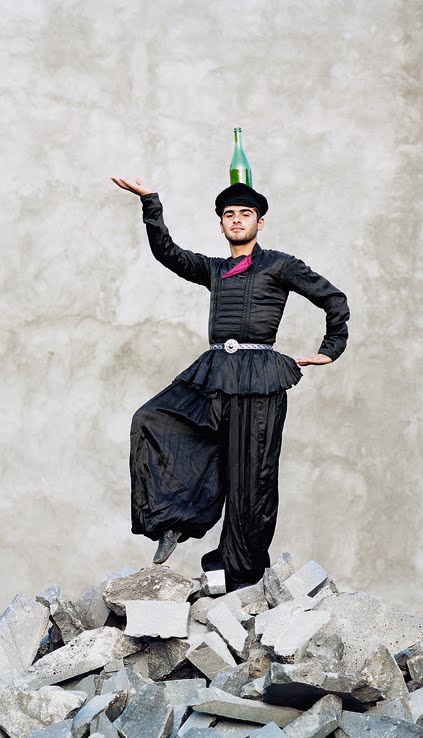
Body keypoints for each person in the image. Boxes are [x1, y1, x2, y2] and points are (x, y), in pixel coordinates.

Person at [111, 176, 350, 592]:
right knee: (153, 419)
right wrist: (150, 202)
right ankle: (174, 519)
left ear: (260, 222)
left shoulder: (280, 265)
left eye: (245, 214)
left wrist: (331, 348)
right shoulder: (215, 269)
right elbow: (167, 253)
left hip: (260, 379)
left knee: (252, 478)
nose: (237, 220)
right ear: (221, 225)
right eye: (229, 215)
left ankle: (240, 574)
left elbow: (334, 299)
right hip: (217, 372)